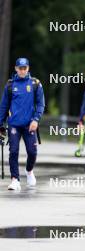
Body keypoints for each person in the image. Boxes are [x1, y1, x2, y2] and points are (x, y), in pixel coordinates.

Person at [0, 58, 45, 190]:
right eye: (20, 68)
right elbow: (3, 107)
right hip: (14, 124)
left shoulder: (35, 84)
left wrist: (36, 119)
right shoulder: (10, 85)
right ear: (16, 68)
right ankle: (15, 179)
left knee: (32, 152)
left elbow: (41, 104)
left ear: (28, 68)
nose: (22, 70)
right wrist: (1, 125)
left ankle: (29, 171)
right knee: (13, 151)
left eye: (25, 68)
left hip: (29, 124)